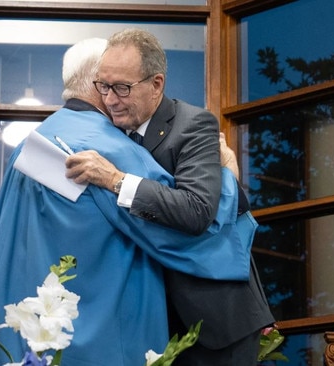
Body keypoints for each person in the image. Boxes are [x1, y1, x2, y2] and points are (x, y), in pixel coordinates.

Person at [0, 38, 256, 366]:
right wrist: (229, 182)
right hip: (97, 341)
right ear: (99, 82)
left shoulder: (25, 147)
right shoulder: (109, 150)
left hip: (24, 339)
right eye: (110, 85)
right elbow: (193, 225)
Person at [65, 28, 275, 366]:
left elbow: (196, 211)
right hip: (151, 327)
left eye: (122, 88)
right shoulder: (110, 132)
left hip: (216, 323)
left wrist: (115, 179)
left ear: (157, 84)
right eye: (103, 86)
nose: (110, 99)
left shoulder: (193, 125)